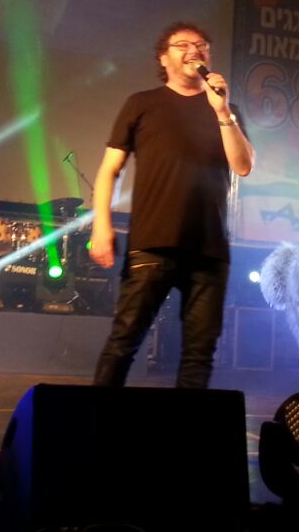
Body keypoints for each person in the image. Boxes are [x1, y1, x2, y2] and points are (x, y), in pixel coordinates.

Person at [89, 22, 255, 388]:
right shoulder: (142, 104)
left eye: (201, 44)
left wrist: (222, 112)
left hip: (210, 249)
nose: (194, 49)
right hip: (153, 243)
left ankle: (185, 426)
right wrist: (101, 225)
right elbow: (109, 170)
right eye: (182, 44)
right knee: (124, 342)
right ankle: (95, 419)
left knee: (199, 354)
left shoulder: (226, 110)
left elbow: (243, 166)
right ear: (163, 59)